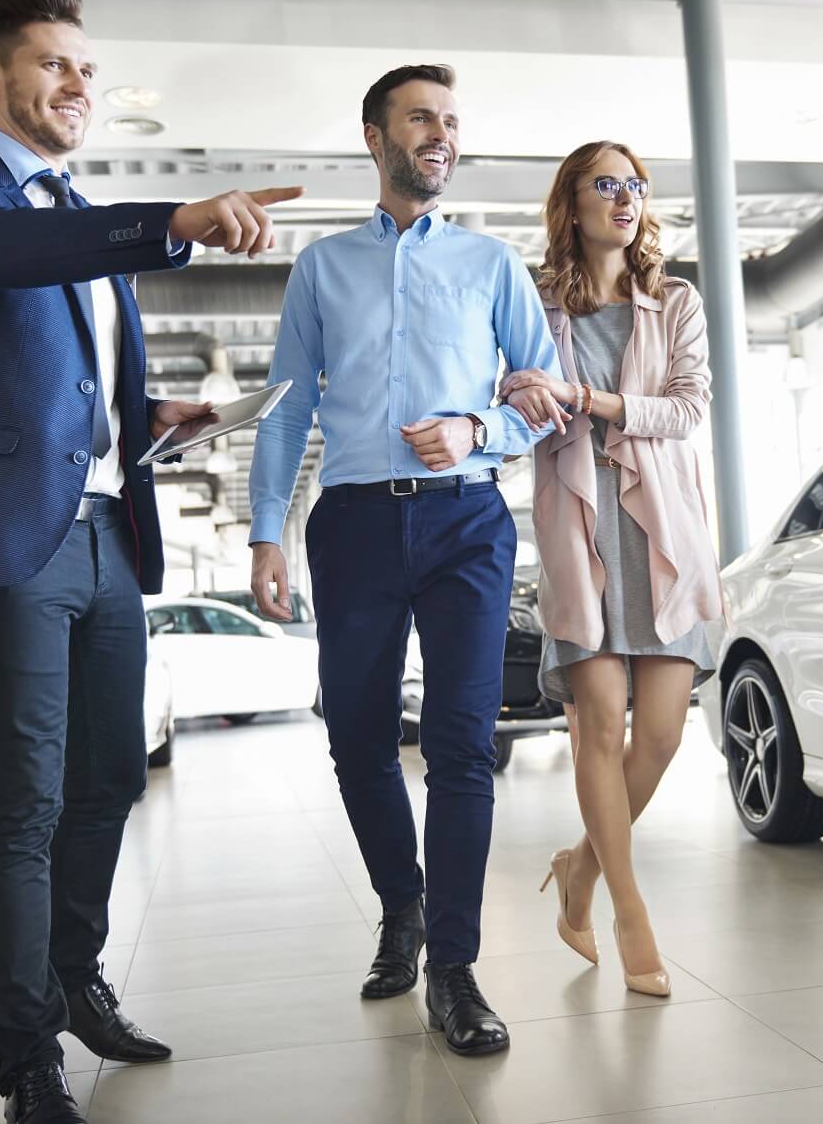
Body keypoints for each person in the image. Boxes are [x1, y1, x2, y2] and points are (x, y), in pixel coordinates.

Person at [0, 0, 299, 1120]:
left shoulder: (77, 210)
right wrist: (172, 220)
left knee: (109, 780)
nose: (79, 83)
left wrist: (150, 414)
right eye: (53, 64)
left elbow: (73, 378)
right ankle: (26, 1056)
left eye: (86, 67)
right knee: (22, 802)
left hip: (110, 536)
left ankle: (76, 984)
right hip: (7, 539)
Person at [249, 64, 563, 1057]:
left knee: (464, 747)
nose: (440, 135)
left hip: (467, 524)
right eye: (421, 118)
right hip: (351, 524)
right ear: (375, 137)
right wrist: (266, 530)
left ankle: (456, 972)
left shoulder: (490, 265)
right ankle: (401, 904)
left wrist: (478, 427)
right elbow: (288, 404)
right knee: (355, 738)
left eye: (450, 121)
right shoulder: (321, 268)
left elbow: (542, 396)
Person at [501, 141, 721, 997]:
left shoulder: (673, 300)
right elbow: (514, 396)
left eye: (635, 185)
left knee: (661, 733)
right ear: (574, 201)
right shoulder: (538, 301)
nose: (625, 198)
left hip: (662, 523)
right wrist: (526, 392)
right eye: (607, 183)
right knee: (598, 730)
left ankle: (582, 866)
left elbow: (691, 406)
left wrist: (598, 404)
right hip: (576, 523)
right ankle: (630, 912)